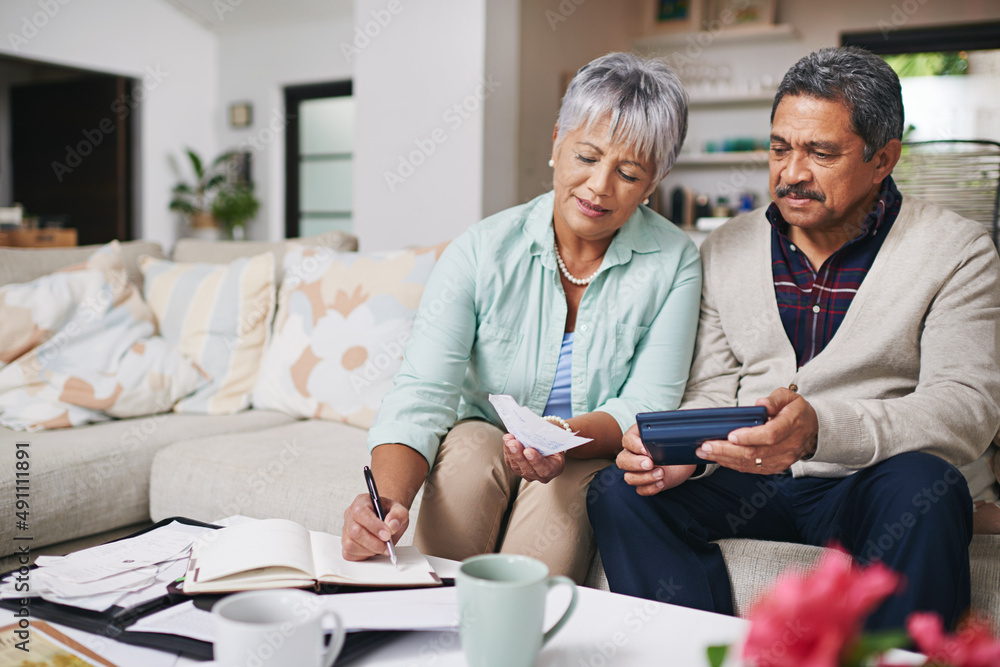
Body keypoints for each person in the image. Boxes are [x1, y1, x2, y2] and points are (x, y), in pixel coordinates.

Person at [588, 46, 1000, 630]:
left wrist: (820, 432)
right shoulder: (726, 247)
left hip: (865, 484)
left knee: (925, 485)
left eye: (821, 153)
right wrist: (685, 458)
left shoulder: (958, 252)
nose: (792, 172)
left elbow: (966, 409)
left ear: (883, 159)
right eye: (781, 147)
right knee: (619, 491)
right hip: (747, 481)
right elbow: (711, 389)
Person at [341, 52, 701, 583]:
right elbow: (424, 389)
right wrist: (385, 502)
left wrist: (558, 436)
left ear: (654, 182)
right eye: (586, 155)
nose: (600, 186)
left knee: (563, 493)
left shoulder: (675, 260)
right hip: (482, 434)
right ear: (557, 141)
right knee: (467, 455)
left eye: (628, 173)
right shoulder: (481, 250)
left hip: (583, 448)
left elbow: (646, 404)